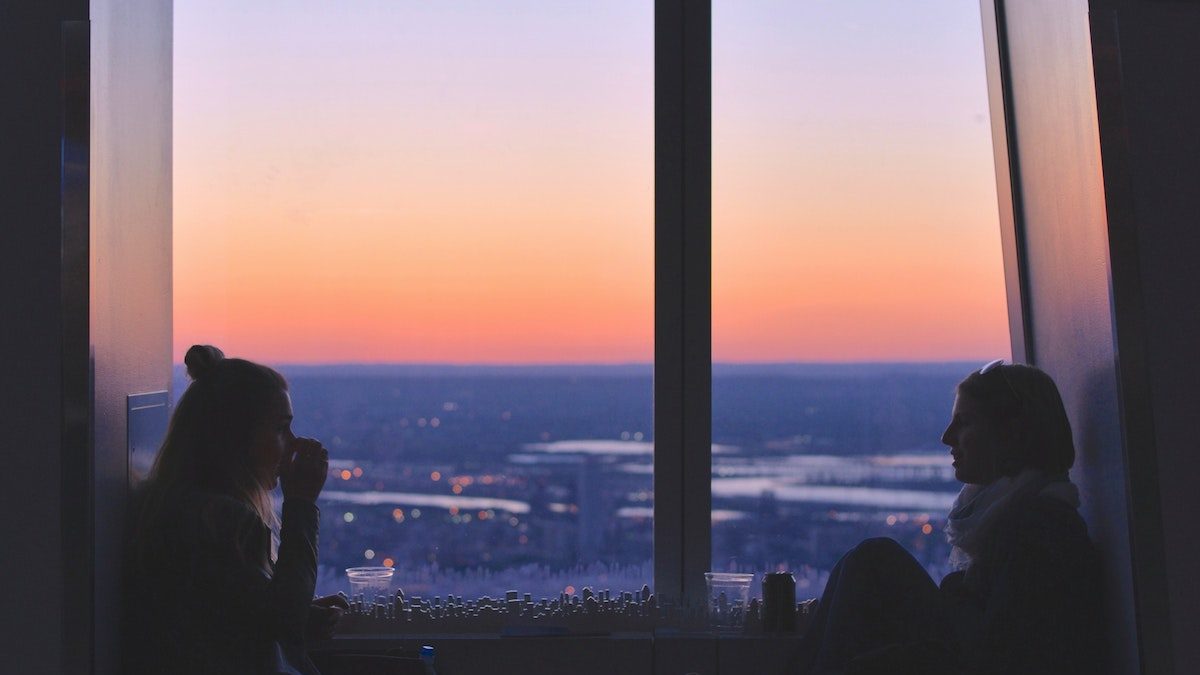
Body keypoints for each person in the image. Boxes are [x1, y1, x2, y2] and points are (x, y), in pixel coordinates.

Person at [797, 361, 1103, 675]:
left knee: (873, 560)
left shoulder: (1041, 531)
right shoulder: (1019, 519)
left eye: (964, 423)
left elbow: (997, 655)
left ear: (1011, 434)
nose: (947, 437)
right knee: (865, 562)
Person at [125, 345, 348, 674]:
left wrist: (302, 610)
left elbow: (234, 613)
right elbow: (282, 620)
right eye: (280, 428)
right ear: (236, 437)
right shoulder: (220, 521)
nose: (293, 443)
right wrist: (300, 504)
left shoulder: (178, 509)